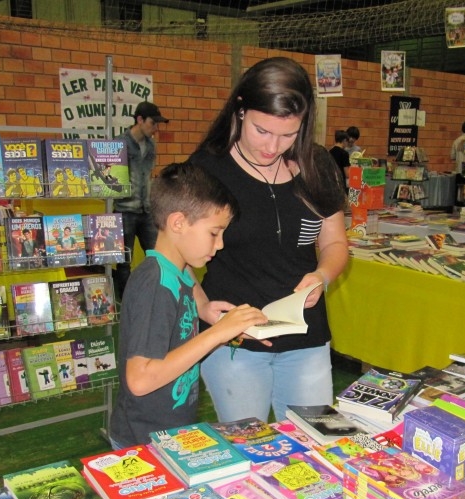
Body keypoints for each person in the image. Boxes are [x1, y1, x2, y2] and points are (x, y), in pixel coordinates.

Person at [189, 56, 349, 423]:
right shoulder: (207, 170)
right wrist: (201, 305)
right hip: (237, 340)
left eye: (288, 134)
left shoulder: (317, 164)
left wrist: (323, 276)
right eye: (262, 130)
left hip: (307, 338)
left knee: (317, 446)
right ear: (241, 110)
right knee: (249, 447)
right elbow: (174, 257)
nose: (273, 146)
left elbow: (335, 243)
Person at [108, 162, 268, 449]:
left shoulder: (178, 271)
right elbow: (140, 379)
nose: (219, 245)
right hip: (143, 442)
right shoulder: (155, 285)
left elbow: (178, 346)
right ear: (178, 223)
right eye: (213, 233)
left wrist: (221, 330)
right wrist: (216, 334)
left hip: (171, 432)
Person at [114, 100, 169, 299]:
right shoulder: (119, 144)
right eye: (152, 123)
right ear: (139, 119)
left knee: (157, 255)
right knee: (123, 260)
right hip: (124, 209)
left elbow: (148, 175)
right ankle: (125, 301)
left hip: (146, 210)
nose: (155, 128)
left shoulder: (151, 145)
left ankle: (156, 295)